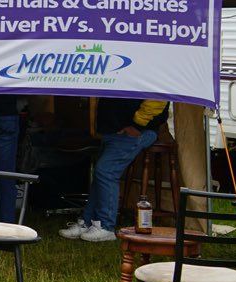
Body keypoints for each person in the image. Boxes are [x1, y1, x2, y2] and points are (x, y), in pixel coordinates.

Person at [61, 97, 170, 243]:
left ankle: (106, 226)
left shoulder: (153, 73)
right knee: (102, 174)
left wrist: (137, 125)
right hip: (116, 128)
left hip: (136, 130)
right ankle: (88, 222)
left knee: (106, 171)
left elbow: (158, 96)